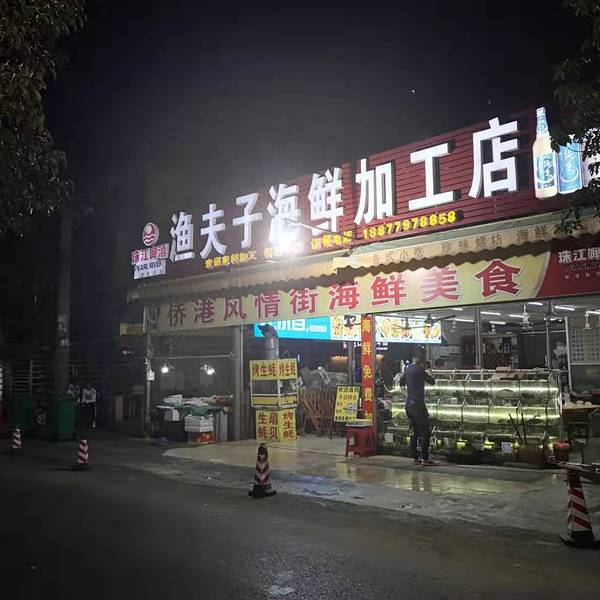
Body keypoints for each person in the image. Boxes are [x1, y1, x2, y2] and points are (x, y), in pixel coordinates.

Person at [400, 350, 436, 466]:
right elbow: (432, 381)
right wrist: (429, 369)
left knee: (415, 431)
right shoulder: (419, 370)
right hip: (418, 405)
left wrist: (407, 395)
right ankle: (425, 458)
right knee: (425, 432)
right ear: (420, 358)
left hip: (409, 405)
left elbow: (401, 384)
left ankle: (415, 456)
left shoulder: (408, 369)